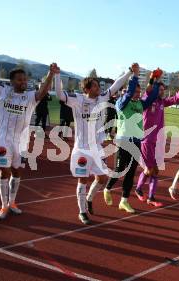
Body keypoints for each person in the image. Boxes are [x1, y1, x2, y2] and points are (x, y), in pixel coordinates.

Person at [0, 47, 58, 220]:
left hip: (21, 142)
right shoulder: (3, 91)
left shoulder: (30, 97)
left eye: (25, 79)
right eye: (20, 79)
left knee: (17, 172)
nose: (24, 82)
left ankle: (13, 202)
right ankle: (4, 205)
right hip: (4, 139)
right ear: (12, 81)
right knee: (3, 171)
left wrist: (50, 74)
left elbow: (43, 91)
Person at [55, 64, 135, 225]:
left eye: (99, 86)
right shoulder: (77, 100)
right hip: (82, 149)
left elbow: (116, 85)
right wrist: (56, 76)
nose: (99, 88)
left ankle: (89, 200)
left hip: (97, 148)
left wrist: (130, 72)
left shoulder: (102, 98)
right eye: (96, 86)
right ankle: (82, 212)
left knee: (102, 179)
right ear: (87, 88)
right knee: (82, 181)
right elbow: (59, 94)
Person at [104, 67, 161, 214]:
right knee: (119, 170)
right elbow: (128, 93)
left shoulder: (140, 104)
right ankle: (107, 188)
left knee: (130, 173)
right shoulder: (121, 104)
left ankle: (124, 200)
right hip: (124, 141)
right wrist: (134, 76)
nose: (137, 94)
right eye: (135, 91)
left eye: (138, 92)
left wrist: (155, 80)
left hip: (136, 142)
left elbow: (153, 96)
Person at [134, 71, 179, 207]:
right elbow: (149, 90)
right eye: (160, 89)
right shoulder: (148, 99)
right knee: (152, 170)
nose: (162, 92)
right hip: (146, 140)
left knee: (153, 170)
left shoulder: (162, 102)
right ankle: (143, 192)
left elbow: (177, 98)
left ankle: (144, 192)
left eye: (163, 90)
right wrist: (153, 79)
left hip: (157, 142)